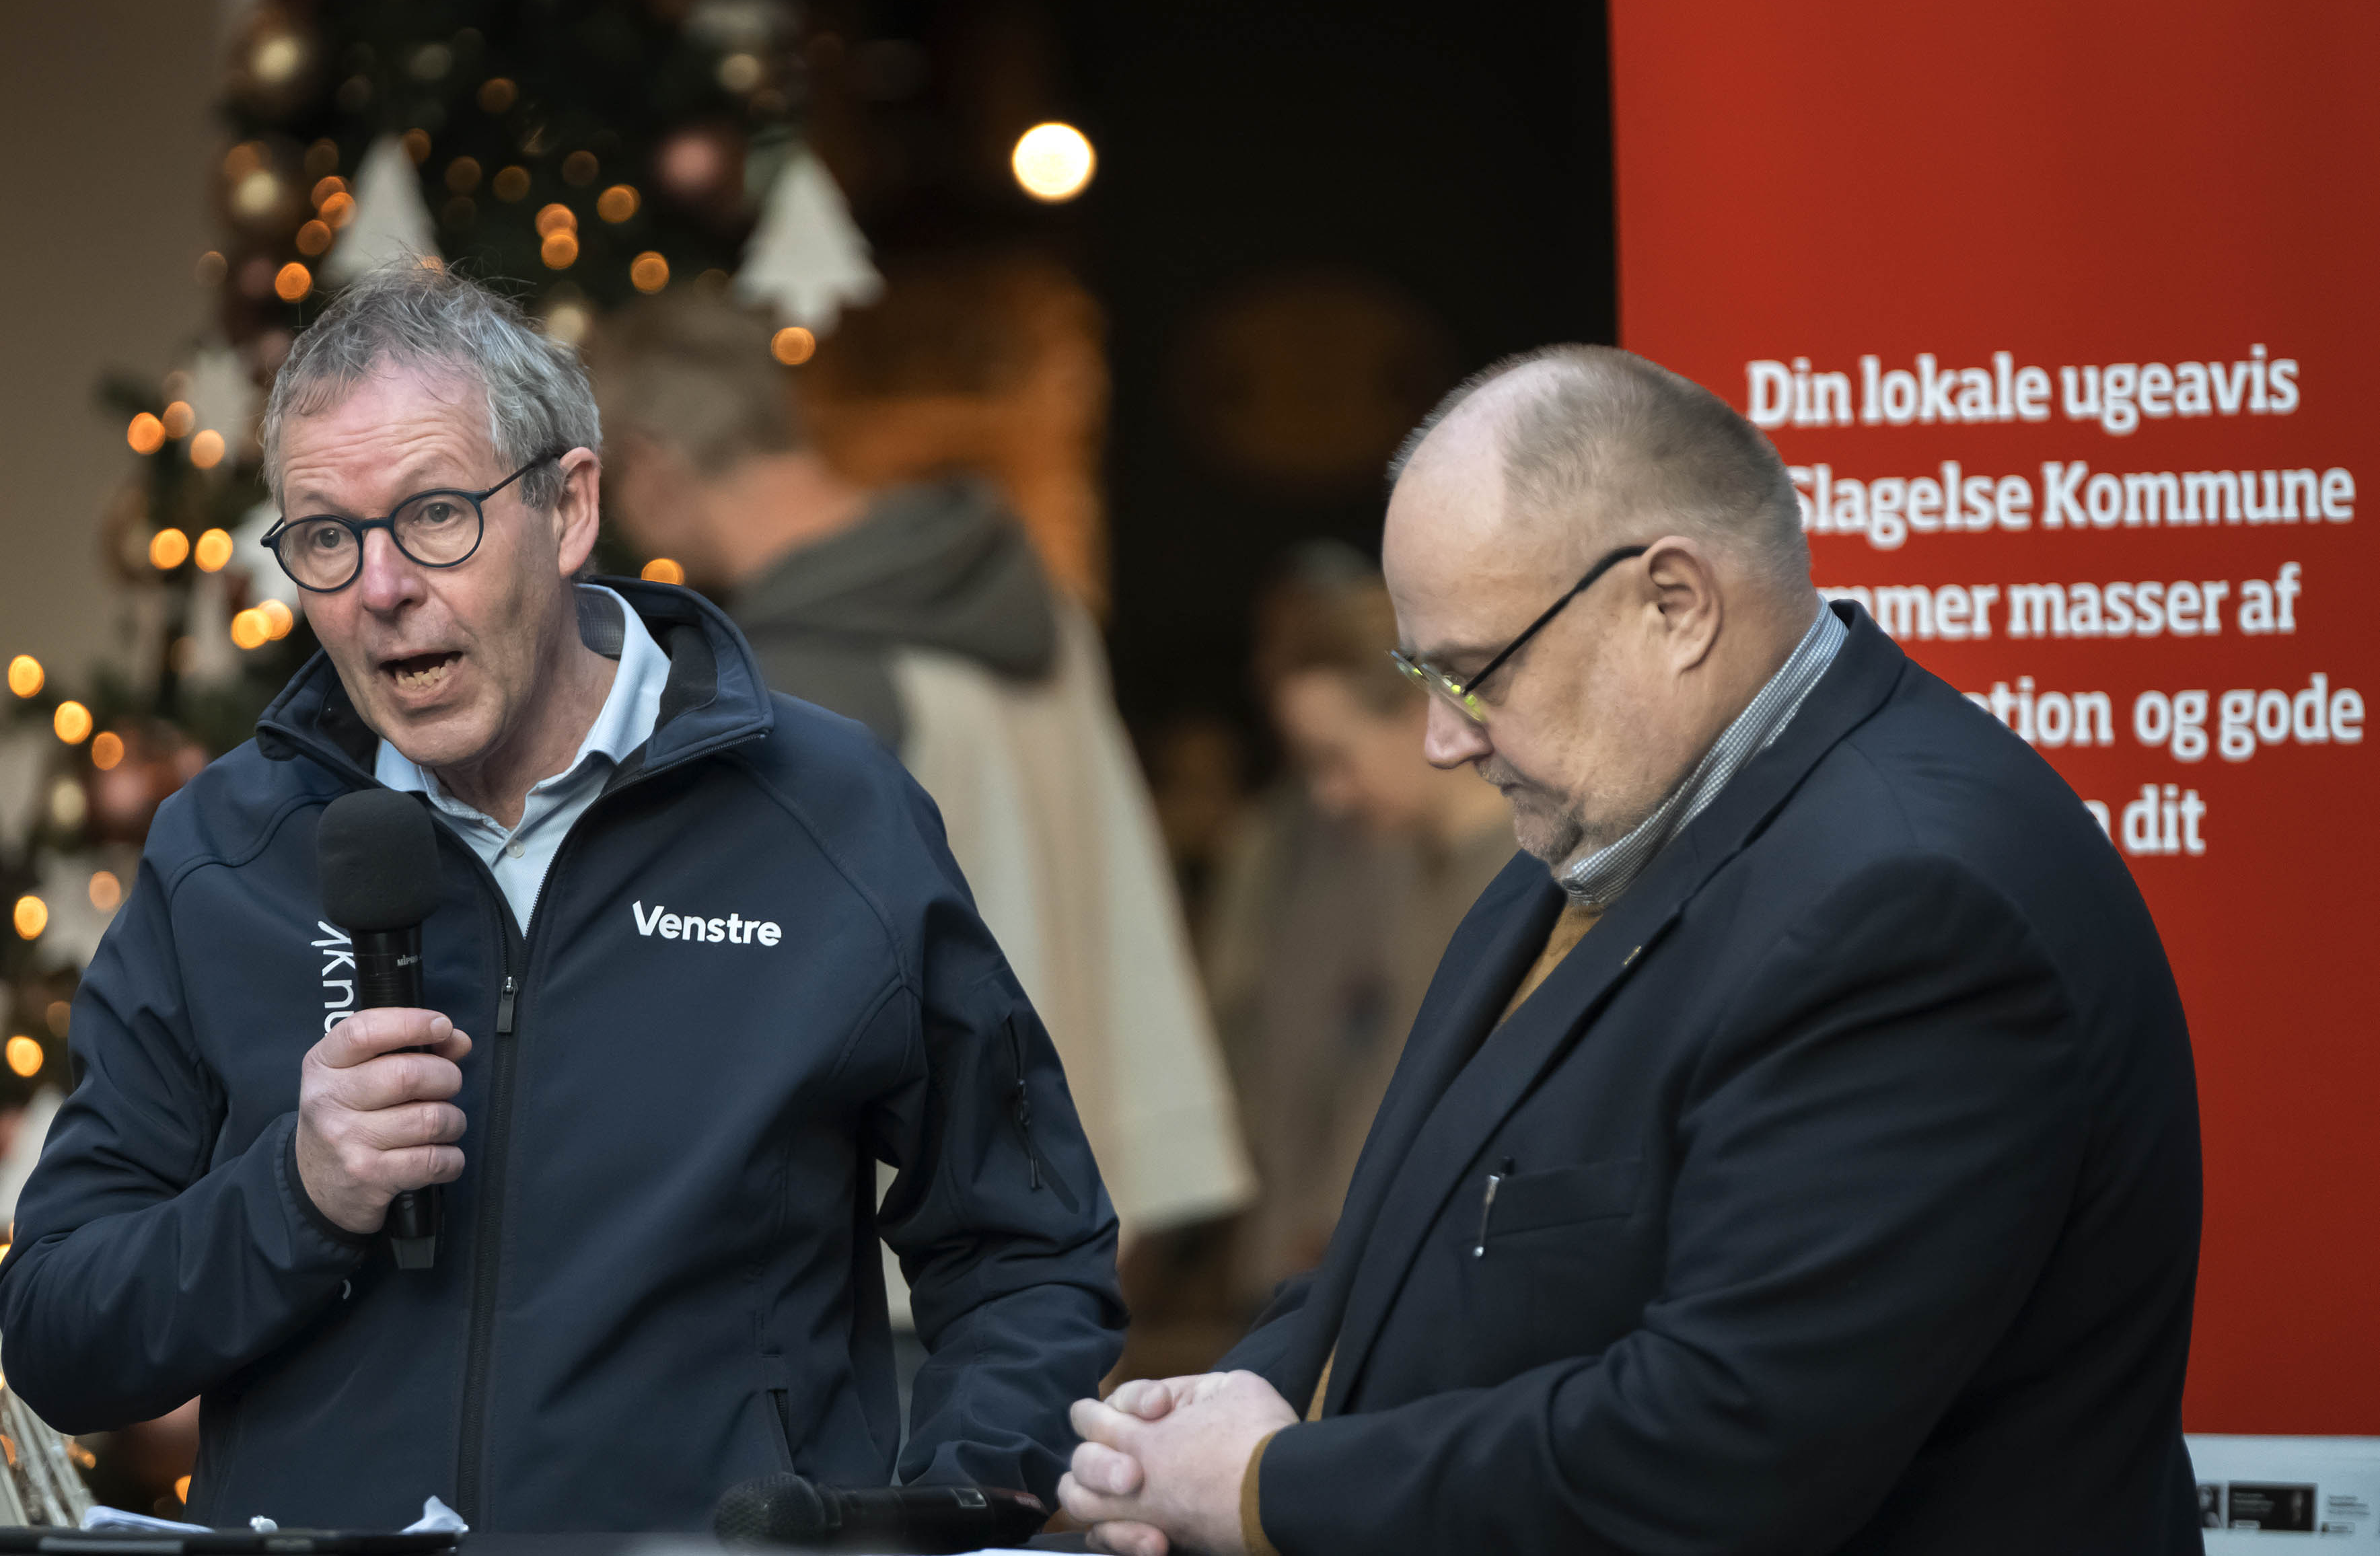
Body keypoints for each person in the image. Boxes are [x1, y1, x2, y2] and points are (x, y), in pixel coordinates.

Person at [0, 264, 1123, 1532]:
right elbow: (56, 1330)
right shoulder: (225, 848)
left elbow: (1023, 1247)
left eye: (434, 514)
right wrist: (295, 1194)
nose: (379, 587)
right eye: (324, 535)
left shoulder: (825, 813)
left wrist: (942, 1518)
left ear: (569, 506)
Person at [1058, 345, 2203, 1554]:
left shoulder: (1908, 902)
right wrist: (1226, 1412)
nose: (1445, 739)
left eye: (1471, 673)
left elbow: (1720, 1446)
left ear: (1674, 605)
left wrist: (1264, 1483)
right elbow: (1421, 1242)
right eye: (1418, 674)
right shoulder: (1593, 836)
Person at [589, 292, 1250, 1249]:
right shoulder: (1031, 594)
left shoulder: (792, 681)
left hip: (914, 1234)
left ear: (648, 462)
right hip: (1065, 1174)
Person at [1203, 546, 1511, 1313]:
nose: (1330, 797)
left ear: (1420, 716)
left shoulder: (1520, 880)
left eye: (1335, 759)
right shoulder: (1421, 867)